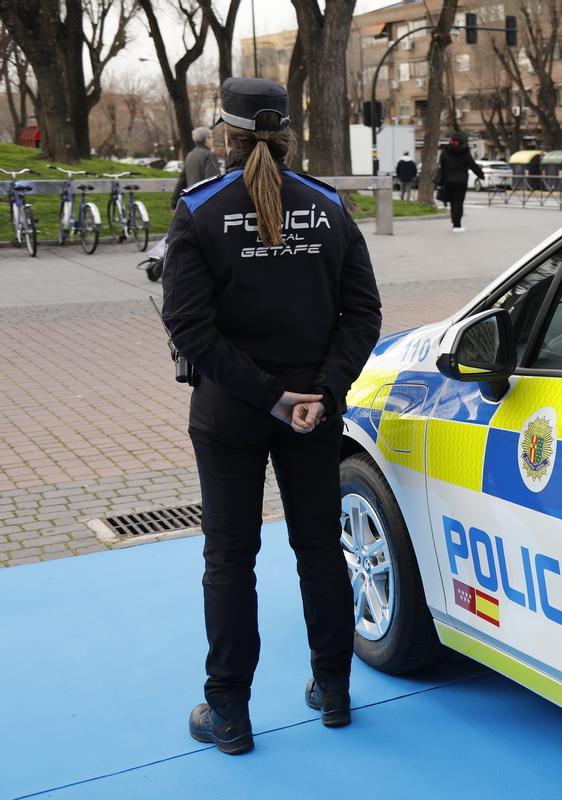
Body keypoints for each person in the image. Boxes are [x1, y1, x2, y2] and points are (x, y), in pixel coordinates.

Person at [161, 77, 382, 755]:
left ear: (223, 136)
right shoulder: (327, 205)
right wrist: (317, 391)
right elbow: (363, 314)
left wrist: (265, 395)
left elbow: (190, 329)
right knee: (319, 547)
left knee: (230, 558)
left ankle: (228, 711)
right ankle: (334, 690)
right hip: (312, 412)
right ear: (286, 134)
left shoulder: (199, 209)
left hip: (232, 410)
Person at [436, 132, 484, 232]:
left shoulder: (445, 151)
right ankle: (457, 225)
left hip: (448, 181)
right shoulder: (465, 152)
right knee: (458, 202)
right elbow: (472, 165)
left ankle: (454, 221)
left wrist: (441, 180)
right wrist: (481, 175)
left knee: (452, 202)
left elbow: (442, 165)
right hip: (461, 181)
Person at [171, 126, 222, 209]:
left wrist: (174, 201)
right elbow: (212, 181)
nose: (213, 140)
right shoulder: (209, 155)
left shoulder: (190, 155)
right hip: (205, 203)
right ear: (206, 139)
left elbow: (182, 180)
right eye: (211, 137)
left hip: (192, 203)